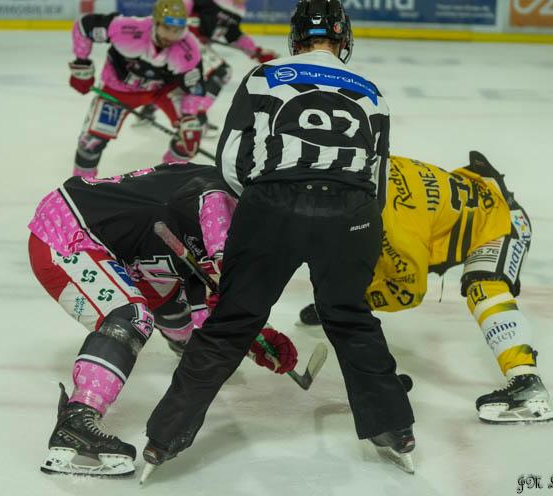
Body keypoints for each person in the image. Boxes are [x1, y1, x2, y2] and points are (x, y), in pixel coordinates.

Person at [141, 0, 416, 480]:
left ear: (296, 37)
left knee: (231, 324)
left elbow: (230, 162)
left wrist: (270, 205)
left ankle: (164, 440)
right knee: (351, 319)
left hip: (273, 203)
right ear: (343, 37)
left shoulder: (264, 75)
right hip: (353, 213)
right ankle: (395, 430)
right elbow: (382, 182)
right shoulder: (373, 93)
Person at [28, 162, 298, 477]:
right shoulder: (219, 207)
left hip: (123, 245)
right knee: (131, 315)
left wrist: (252, 336)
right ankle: (77, 418)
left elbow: (207, 294)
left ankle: (177, 338)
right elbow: (223, 288)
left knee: (172, 296)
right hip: (67, 233)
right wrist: (246, 329)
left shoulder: (220, 198)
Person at [298, 152, 553, 424]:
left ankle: (527, 384)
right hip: (457, 209)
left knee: (484, 287)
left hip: (500, 222)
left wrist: (348, 302)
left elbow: (408, 293)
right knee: (361, 251)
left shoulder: (395, 228)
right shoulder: (364, 165)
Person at [68, 0, 206, 178]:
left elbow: (194, 88)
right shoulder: (127, 28)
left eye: (177, 30)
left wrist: (188, 117)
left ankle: (168, 184)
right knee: (90, 144)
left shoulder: (189, 49)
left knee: (190, 135)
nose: (171, 36)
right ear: (155, 22)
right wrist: (82, 63)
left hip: (162, 91)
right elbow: (83, 26)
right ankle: (80, 190)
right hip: (118, 91)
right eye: (167, 28)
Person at [136, 0, 278, 135]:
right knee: (222, 71)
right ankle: (197, 117)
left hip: (192, 45)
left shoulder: (238, 9)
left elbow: (233, 35)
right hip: (184, 42)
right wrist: (185, 28)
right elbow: (178, 8)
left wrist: (257, 52)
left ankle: (149, 108)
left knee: (182, 78)